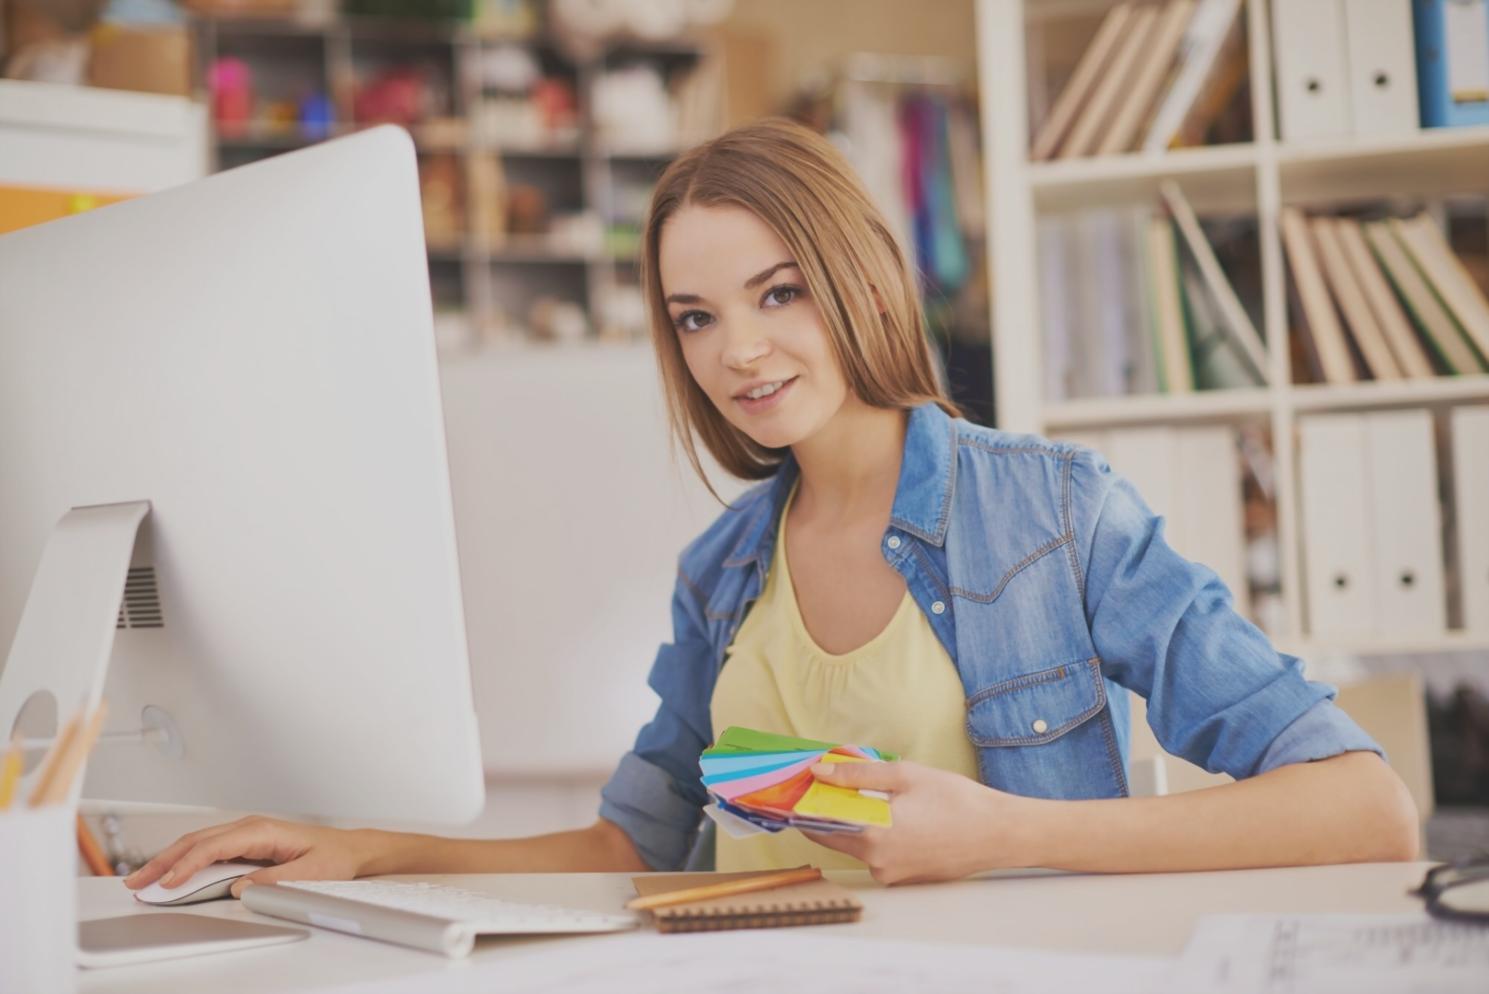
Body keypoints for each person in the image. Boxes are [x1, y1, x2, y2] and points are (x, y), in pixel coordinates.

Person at [125, 119, 1417, 898]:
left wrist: (1005, 833)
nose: (736, 350)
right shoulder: (722, 567)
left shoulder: (1054, 513)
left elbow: (1365, 809)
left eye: (777, 292)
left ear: (862, 278)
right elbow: (629, 848)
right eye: (695, 317)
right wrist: (365, 851)